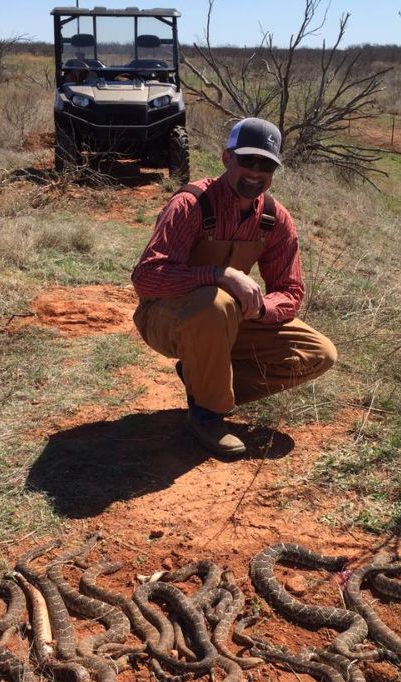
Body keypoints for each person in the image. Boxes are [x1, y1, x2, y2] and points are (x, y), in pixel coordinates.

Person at [131, 117, 337, 456]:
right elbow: (147, 277)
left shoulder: (275, 219)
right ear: (227, 158)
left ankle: (202, 379)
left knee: (318, 354)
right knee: (215, 303)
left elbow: (291, 292)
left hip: (228, 318)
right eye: (248, 160)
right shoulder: (190, 204)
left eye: (266, 164)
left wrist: (261, 307)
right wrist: (220, 274)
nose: (256, 172)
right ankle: (207, 414)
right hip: (165, 318)